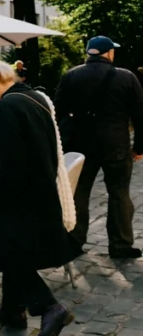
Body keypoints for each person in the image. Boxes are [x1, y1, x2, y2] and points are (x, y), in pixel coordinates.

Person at [0, 52, 78, 336]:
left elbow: (11, 159)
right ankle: (12, 310)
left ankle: (48, 307)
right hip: (38, 190)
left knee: (12, 252)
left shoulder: (8, 106)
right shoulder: (33, 98)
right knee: (12, 251)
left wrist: (4, 196)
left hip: (16, 196)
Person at [55, 36, 143, 258]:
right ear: (109, 53)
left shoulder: (71, 75)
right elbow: (140, 116)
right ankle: (121, 245)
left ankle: (73, 241)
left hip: (81, 145)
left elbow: (58, 111)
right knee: (119, 193)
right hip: (116, 145)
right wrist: (140, 147)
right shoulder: (127, 77)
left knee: (79, 194)